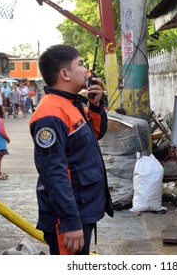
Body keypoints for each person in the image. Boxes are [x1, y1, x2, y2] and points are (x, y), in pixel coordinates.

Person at [29, 44, 113, 255]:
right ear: (65, 73)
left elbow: (94, 136)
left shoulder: (71, 104)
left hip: (82, 207)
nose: (86, 71)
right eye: (80, 64)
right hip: (68, 215)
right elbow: (53, 173)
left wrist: (95, 106)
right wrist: (69, 221)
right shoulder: (50, 113)